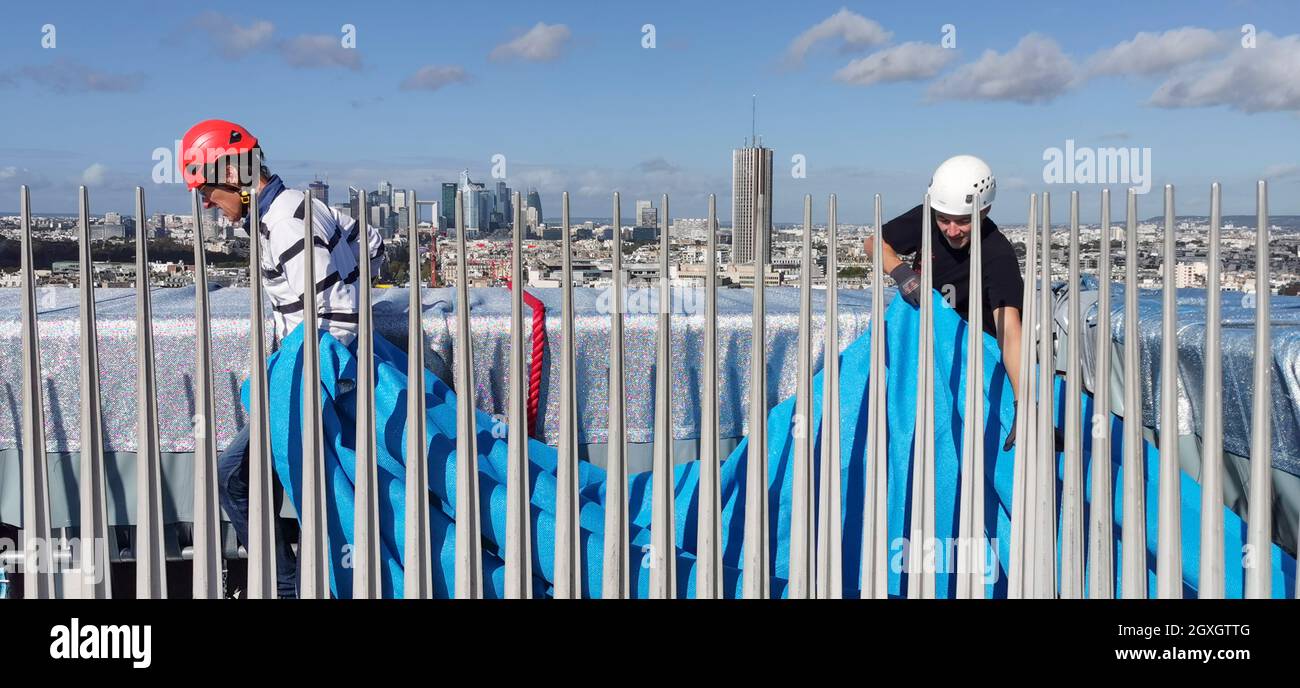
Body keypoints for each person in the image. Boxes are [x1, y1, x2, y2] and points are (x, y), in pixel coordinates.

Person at [179, 119, 386, 597]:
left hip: (312, 374)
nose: (207, 202)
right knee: (255, 481)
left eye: (208, 190)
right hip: (307, 369)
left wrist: (307, 375)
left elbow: (334, 312)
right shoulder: (285, 213)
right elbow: (369, 242)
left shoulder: (288, 215)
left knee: (233, 477)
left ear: (233, 173)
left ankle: (286, 589)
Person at [863, 155, 1026, 449]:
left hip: (968, 362)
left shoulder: (997, 254)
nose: (951, 230)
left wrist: (1023, 401)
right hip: (919, 353)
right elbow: (873, 243)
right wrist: (902, 273)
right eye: (944, 219)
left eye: (963, 221)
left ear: (985, 209)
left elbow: (1010, 331)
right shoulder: (929, 217)